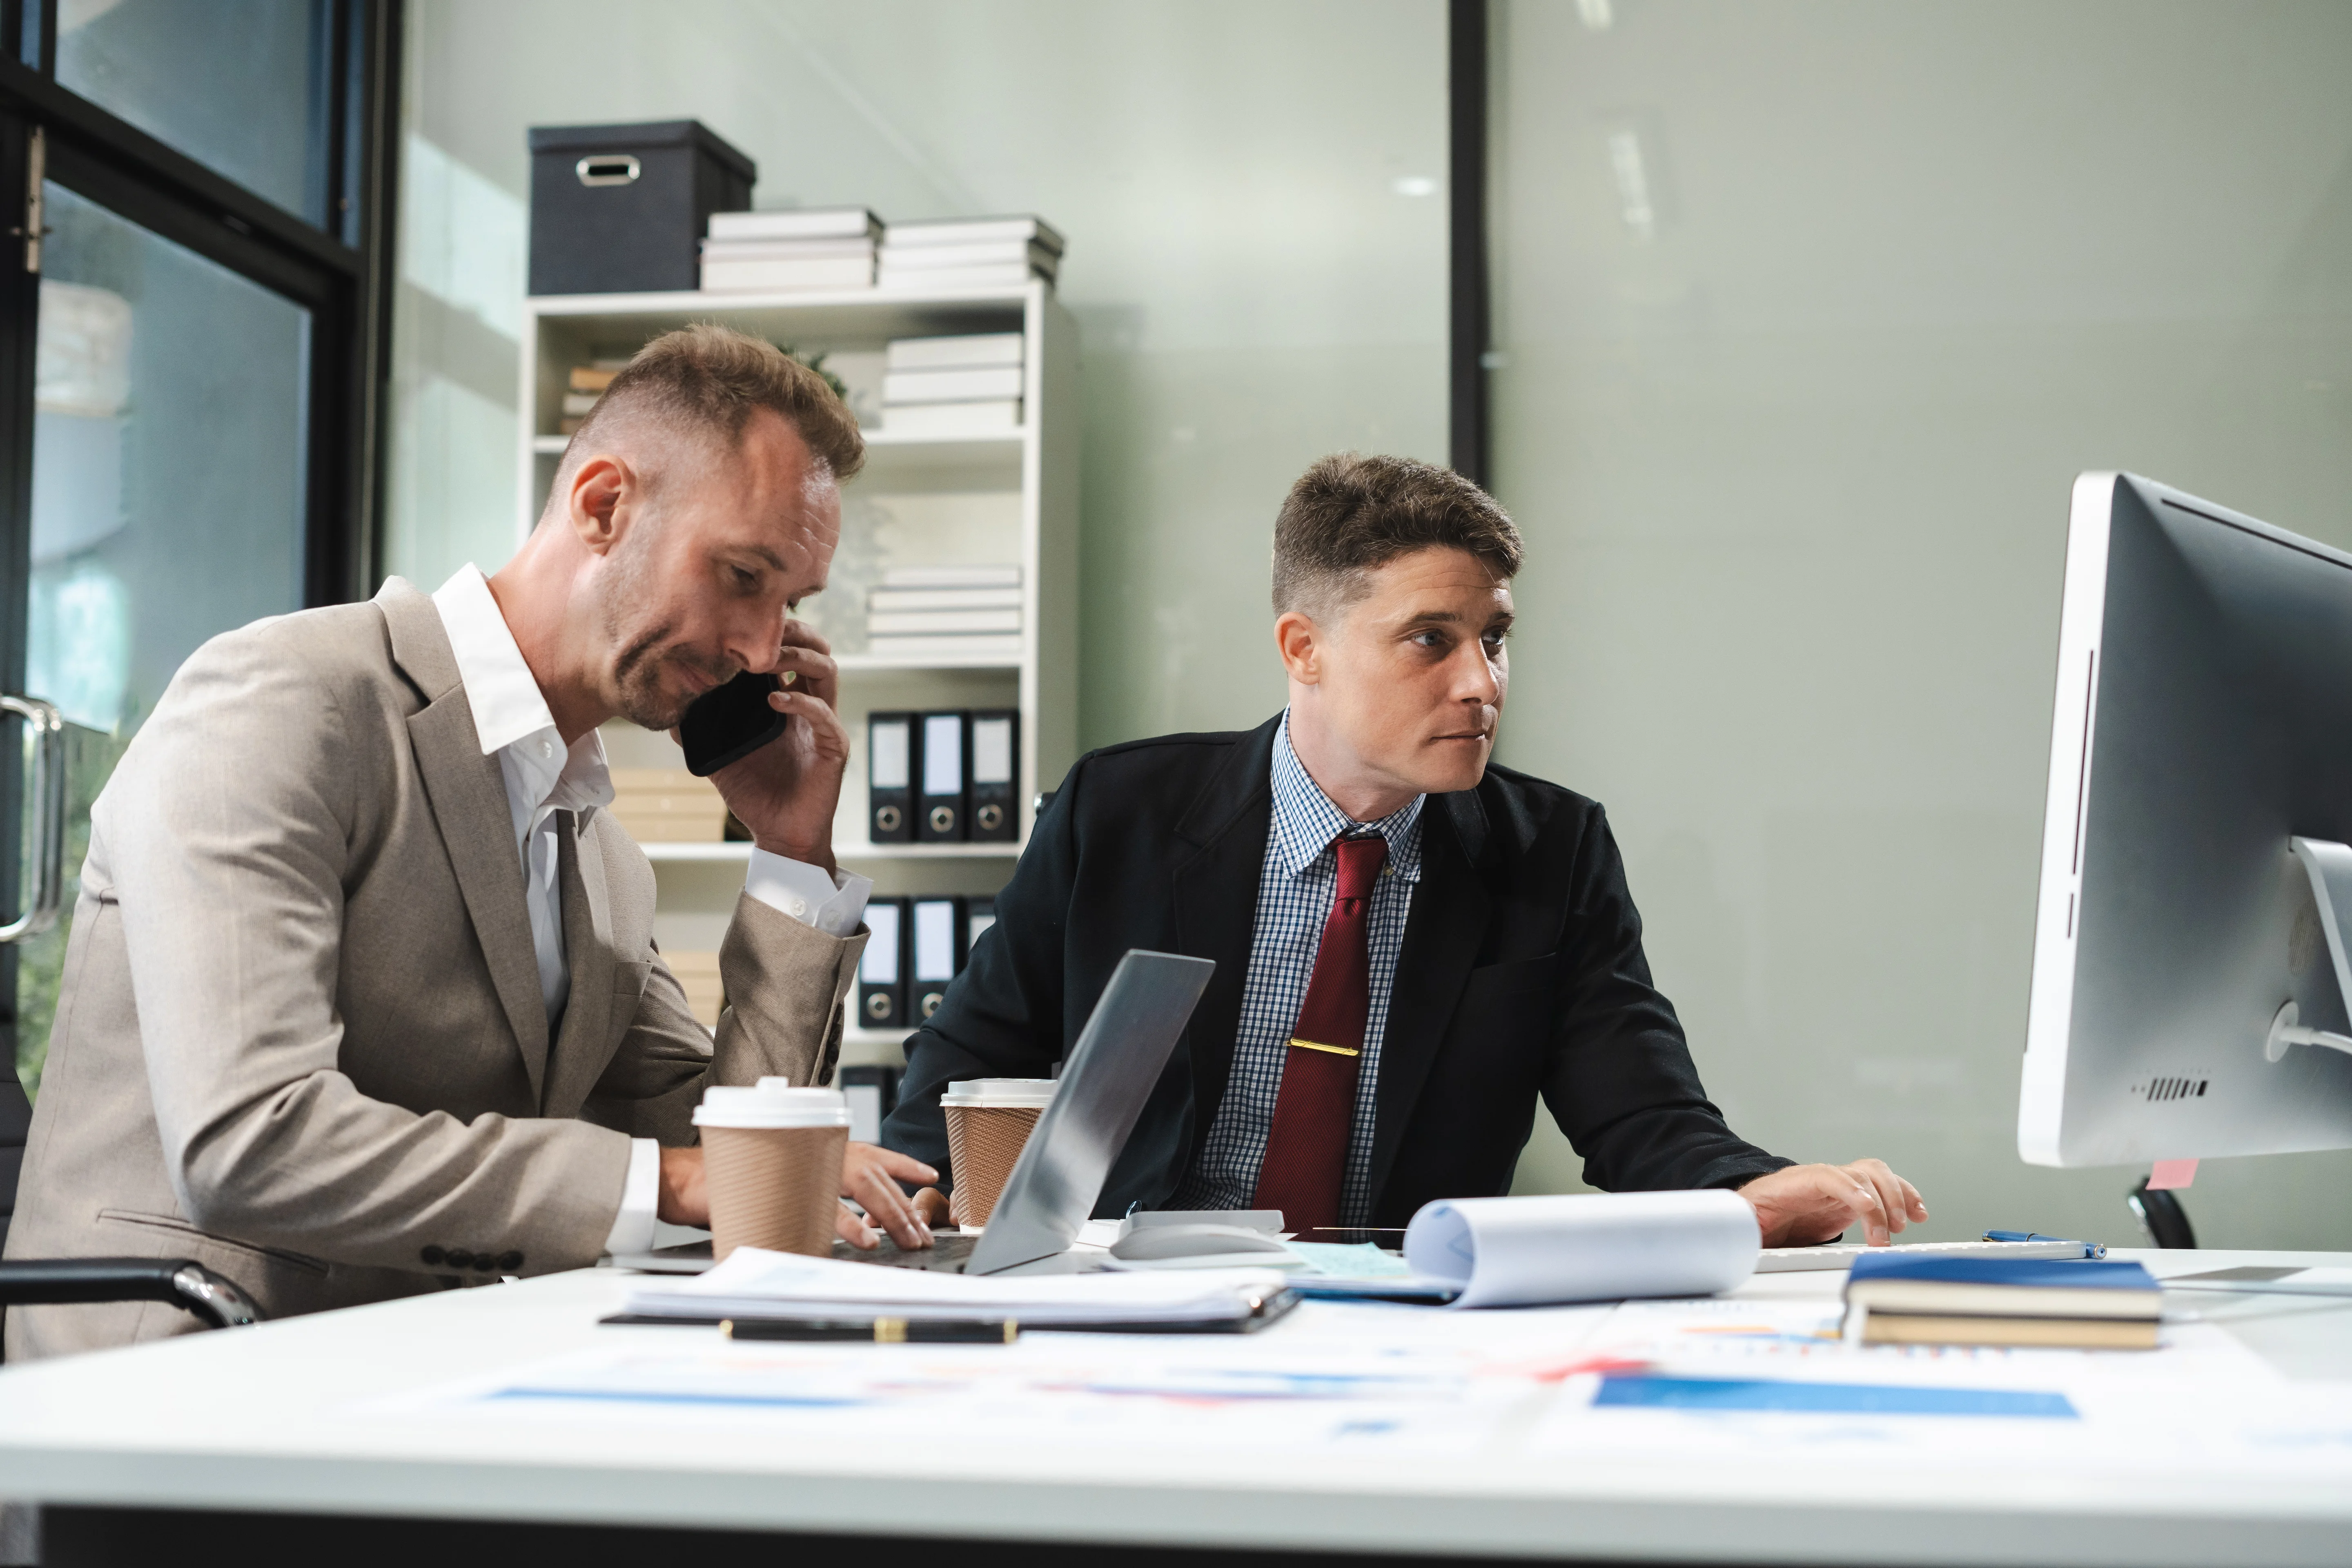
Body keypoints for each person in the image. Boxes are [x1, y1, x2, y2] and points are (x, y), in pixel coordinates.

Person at [4, 325, 935, 1359]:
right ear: (603, 506)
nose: (762, 649)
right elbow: (251, 1139)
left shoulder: (603, 860)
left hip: (416, 1377)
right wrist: (670, 1182)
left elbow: (727, 1148)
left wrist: (793, 856)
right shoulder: (281, 701)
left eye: (788, 606)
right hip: (171, 1393)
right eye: (742, 575)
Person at [884, 454, 1926, 1247]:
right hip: (1135, 1303)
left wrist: (1750, 1192)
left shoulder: (1548, 849)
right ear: (1305, 650)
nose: (1483, 683)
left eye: (1496, 639)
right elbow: (963, 1079)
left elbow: (1643, 1116)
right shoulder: (1121, 810)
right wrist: (919, 1253)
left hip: (1406, 1316)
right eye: (1432, 639)